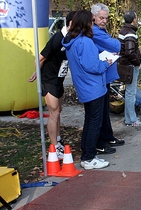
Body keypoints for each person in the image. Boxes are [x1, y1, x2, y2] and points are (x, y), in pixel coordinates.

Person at [62, 9, 110, 170]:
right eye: (91, 21)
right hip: (93, 86)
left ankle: (87, 154)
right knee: (94, 123)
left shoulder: (72, 41)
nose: (93, 24)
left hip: (84, 86)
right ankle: (89, 157)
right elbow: (93, 66)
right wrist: (106, 63)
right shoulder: (85, 42)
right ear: (86, 23)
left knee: (90, 121)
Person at [28, 11, 76, 160]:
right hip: (49, 79)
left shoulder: (71, 38)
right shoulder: (58, 38)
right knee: (54, 113)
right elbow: (41, 57)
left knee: (59, 111)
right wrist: (37, 73)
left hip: (59, 79)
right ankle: (54, 147)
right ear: (71, 24)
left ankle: (58, 140)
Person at [91, 3, 127, 153]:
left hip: (105, 75)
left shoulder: (100, 30)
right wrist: (115, 42)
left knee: (105, 109)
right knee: (100, 112)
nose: (104, 20)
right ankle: (102, 140)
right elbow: (115, 44)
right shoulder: (94, 31)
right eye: (101, 18)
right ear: (93, 17)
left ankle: (108, 136)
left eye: (106, 18)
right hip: (100, 76)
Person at [117, 10, 141, 127]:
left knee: (129, 92)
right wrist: (137, 62)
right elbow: (130, 52)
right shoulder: (130, 34)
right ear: (133, 19)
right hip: (130, 66)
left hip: (124, 65)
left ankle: (129, 118)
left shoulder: (122, 31)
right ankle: (132, 119)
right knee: (131, 93)